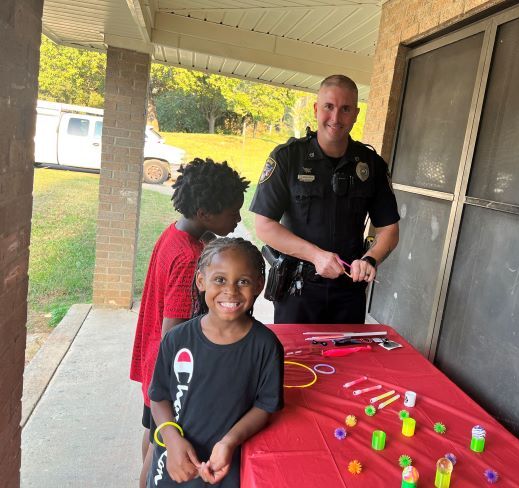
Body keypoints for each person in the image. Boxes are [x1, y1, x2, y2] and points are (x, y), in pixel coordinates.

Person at [130, 158, 250, 488]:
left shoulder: (176, 235)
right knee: (162, 451)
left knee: (152, 435)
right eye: (232, 211)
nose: (238, 219)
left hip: (151, 359)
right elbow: (175, 334)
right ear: (205, 213)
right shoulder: (188, 259)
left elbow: (205, 237)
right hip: (167, 372)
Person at [250, 74, 400, 324]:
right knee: (294, 362)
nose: (336, 118)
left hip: (348, 291)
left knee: (349, 361)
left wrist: (370, 258)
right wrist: (315, 255)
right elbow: (264, 226)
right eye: (329, 107)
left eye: (345, 109)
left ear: (355, 113)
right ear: (316, 109)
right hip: (297, 290)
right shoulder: (288, 158)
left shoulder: (371, 165)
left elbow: (389, 229)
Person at [146, 237, 284, 487]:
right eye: (219, 279)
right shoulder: (177, 339)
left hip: (225, 466)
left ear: (258, 286)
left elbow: (264, 407)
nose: (230, 290)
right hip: (176, 459)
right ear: (201, 281)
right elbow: (158, 396)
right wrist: (171, 437)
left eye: (243, 281)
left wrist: (228, 442)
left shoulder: (266, 346)